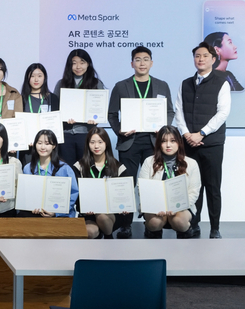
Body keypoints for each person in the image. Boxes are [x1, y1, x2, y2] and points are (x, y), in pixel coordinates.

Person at [107, 46, 174, 239]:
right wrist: (120, 130)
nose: (142, 63)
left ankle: (151, 223)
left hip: (154, 142)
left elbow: (169, 111)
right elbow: (112, 114)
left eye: (145, 59)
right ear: (132, 63)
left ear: (151, 63)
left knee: (151, 184)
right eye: (138, 59)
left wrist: (163, 127)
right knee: (127, 183)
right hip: (129, 142)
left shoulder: (162, 85)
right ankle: (125, 224)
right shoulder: (121, 86)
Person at [173, 42, 231, 239]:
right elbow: (179, 111)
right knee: (191, 186)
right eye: (197, 56)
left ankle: (215, 228)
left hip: (212, 144)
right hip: (188, 143)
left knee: (212, 187)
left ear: (213, 59)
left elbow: (223, 113)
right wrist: (187, 134)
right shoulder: (185, 83)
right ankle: (193, 224)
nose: (200, 59)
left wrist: (202, 133)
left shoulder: (222, 83)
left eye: (205, 56)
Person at [139, 126, 202, 239]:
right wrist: (155, 206)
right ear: (159, 143)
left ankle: (186, 239)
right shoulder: (149, 162)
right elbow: (142, 189)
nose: (168, 145)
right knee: (155, 222)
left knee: (179, 221)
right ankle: (152, 236)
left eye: (173, 141)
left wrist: (177, 207)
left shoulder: (191, 163)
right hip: (155, 206)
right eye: (164, 141)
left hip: (181, 207)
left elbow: (194, 192)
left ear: (179, 142)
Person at [73, 127, 128, 239]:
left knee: (102, 216)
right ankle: (100, 235)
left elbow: (124, 193)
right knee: (90, 232)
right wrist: (84, 207)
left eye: (100, 142)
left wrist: (125, 205)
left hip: (111, 214)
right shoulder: (79, 166)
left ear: (106, 143)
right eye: (92, 142)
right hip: (89, 213)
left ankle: (108, 237)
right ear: (87, 144)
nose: (96, 146)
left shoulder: (118, 167)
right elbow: (76, 193)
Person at [54, 49, 105, 169]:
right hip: (66, 134)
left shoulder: (96, 84)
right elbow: (55, 109)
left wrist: (95, 119)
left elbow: (100, 108)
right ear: (69, 65)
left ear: (88, 64)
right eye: (74, 63)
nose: (78, 66)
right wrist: (63, 118)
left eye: (82, 62)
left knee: (86, 168)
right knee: (68, 169)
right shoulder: (61, 84)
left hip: (86, 133)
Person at [23, 130, 79, 218]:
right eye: (39, 143)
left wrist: (56, 213)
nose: (43, 147)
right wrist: (30, 206)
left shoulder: (64, 169)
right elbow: (25, 194)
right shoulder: (27, 168)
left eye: (47, 144)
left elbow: (73, 193)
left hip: (60, 216)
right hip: (34, 214)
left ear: (54, 146)